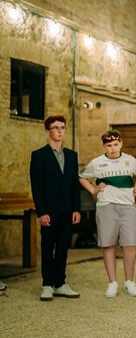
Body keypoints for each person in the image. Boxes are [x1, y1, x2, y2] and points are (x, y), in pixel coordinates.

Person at [79, 130, 136, 297]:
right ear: (104, 146)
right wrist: (93, 190)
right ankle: (112, 283)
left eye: (116, 144)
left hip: (127, 207)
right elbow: (81, 177)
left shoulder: (130, 160)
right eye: (109, 145)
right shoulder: (97, 162)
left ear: (121, 144)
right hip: (106, 206)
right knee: (108, 244)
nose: (113, 148)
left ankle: (129, 281)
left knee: (130, 245)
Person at [30, 115, 81, 301]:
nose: (60, 131)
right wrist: (41, 212)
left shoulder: (72, 156)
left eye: (62, 127)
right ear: (48, 130)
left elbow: (75, 185)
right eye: (55, 127)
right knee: (47, 246)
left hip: (68, 210)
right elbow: (37, 187)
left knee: (62, 248)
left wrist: (76, 208)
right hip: (49, 212)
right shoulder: (39, 156)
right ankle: (47, 285)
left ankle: (60, 283)